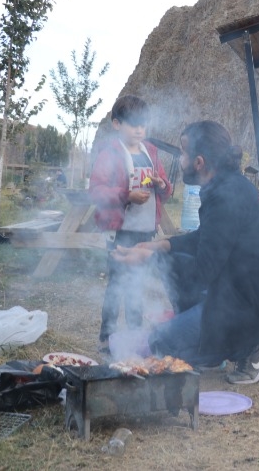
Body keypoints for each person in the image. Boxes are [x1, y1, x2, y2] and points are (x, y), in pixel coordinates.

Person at [112, 121, 259, 384]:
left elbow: (203, 272)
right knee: (173, 267)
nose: (180, 159)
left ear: (199, 162)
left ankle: (255, 344)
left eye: (183, 153)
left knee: (163, 342)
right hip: (238, 291)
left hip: (253, 307)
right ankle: (213, 350)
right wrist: (161, 245)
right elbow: (208, 238)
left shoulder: (225, 195)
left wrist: (152, 259)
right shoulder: (226, 185)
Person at [89, 95, 173, 352]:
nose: (139, 130)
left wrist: (161, 184)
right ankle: (107, 338)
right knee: (117, 284)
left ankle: (135, 335)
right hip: (121, 231)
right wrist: (127, 195)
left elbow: (166, 191)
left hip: (146, 231)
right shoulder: (110, 153)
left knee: (137, 284)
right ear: (117, 124)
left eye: (143, 125)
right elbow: (96, 191)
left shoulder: (151, 152)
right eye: (133, 124)